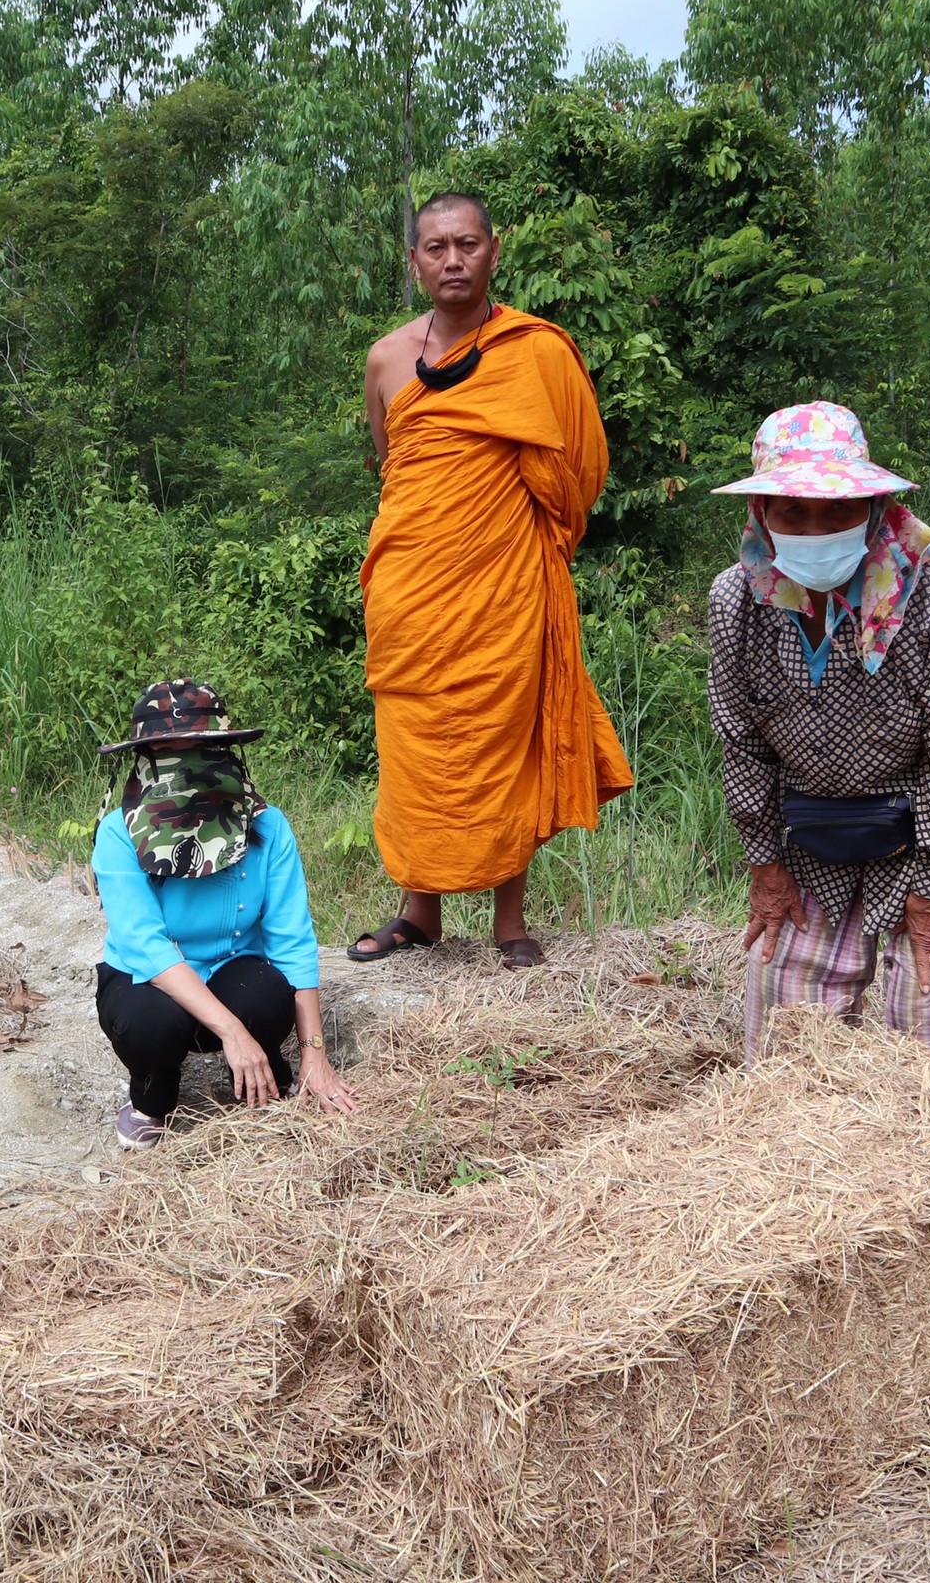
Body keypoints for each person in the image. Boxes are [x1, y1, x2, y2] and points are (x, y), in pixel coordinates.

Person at [347, 190, 633, 971]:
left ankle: (511, 923)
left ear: (493, 252)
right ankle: (420, 914)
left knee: (506, 738)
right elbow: (394, 465)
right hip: (411, 588)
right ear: (414, 262)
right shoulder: (386, 358)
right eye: (435, 247)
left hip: (503, 583)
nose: (452, 260)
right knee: (416, 749)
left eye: (466, 244)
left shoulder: (537, 352)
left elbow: (580, 470)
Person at [705, 401, 930, 1054]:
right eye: (794, 510)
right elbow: (743, 743)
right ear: (761, 513)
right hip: (816, 817)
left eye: (839, 510)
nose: (816, 527)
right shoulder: (737, 602)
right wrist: (766, 867)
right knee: (791, 1015)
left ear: (874, 511)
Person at [92, 678, 360, 1149]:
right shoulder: (118, 835)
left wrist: (314, 1054)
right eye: (170, 755)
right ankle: (153, 1098)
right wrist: (231, 1031)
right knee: (149, 1025)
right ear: (144, 760)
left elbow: (291, 938)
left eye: (202, 752)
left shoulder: (269, 827)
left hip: (233, 967)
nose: (188, 770)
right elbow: (145, 944)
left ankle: (262, 1070)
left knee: (267, 995)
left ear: (226, 753)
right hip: (151, 982)